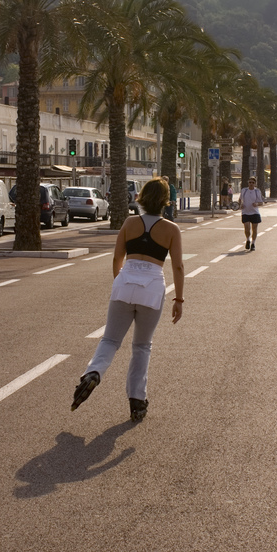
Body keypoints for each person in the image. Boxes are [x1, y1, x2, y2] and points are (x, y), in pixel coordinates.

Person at [71, 178, 185, 422]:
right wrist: (179, 299)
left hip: (125, 282)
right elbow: (178, 266)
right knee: (142, 346)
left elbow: (116, 259)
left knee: (110, 339)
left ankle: (93, 373)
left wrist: (119, 283)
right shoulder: (171, 229)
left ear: (142, 197)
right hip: (152, 288)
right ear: (165, 200)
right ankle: (137, 401)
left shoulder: (130, 223)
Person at [239, 177, 264, 250]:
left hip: (254, 212)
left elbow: (261, 202)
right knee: (247, 228)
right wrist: (240, 204)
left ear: (255, 184)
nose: (251, 184)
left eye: (252, 183)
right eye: (250, 182)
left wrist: (256, 204)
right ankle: (247, 239)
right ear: (248, 183)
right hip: (245, 212)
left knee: (254, 228)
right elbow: (240, 199)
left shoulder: (257, 191)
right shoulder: (244, 190)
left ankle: (253, 243)